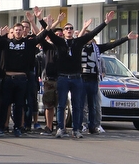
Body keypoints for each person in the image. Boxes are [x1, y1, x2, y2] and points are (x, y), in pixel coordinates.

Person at [40, 11, 114, 139]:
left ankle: (76, 129)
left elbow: (93, 33)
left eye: (71, 28)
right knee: (61, 105)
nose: (69, 30)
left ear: (73, 31)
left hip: (76, 78)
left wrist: (106, 22)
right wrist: (41, 19)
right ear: (63, 32)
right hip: (63, 77)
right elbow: (48, 34)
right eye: (67, 28)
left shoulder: (78, 42)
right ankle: (61, 129)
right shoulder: (59, 42)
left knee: (77, 105)